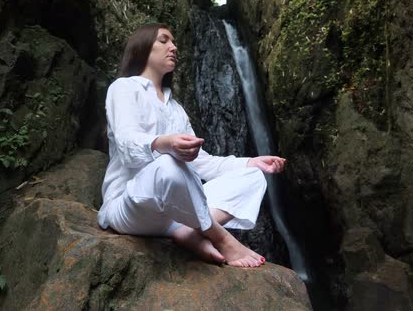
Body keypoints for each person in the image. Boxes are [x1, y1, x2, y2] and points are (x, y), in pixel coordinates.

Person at [97, 23, 287, 268]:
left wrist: (251, 162)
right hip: (132, 206)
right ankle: (219, 236)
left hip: (175, 212)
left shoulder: (176, 110)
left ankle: (186, 231)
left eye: (174, 42)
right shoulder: (123, 88)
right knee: (168, 164)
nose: (173, 47)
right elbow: (126, 144)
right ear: (142, 47)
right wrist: (163, 143)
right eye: (164, 40)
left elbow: (202, 164)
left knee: (253, 177)